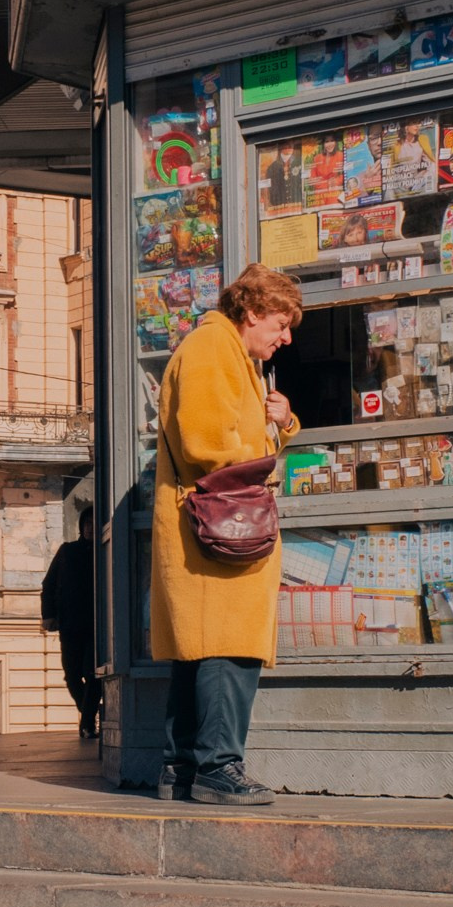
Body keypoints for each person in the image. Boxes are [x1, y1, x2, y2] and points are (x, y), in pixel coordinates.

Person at [151, 264, 301, 808]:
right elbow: (208, 442)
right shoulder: (213, 347)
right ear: (253, 311)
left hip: (208, 524)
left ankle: (181, 766)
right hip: (219, 527)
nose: (285, 338)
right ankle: (219, 766)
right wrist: (270, 456)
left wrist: (284, 422)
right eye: (280, 324)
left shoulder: (231, 354)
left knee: (199, 650)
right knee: (226, 648)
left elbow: (232, 428)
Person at [40, 505, 100, 741]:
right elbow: (49, 584)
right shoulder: (67, 551)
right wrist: (49, 615)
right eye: (86, 524)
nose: (90, 528)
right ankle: (90, 714)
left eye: (94, 523)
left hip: (97, 625)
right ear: (81, 527)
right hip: (70, 623)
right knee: (71, 675)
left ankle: (87, 724)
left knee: (92, 674)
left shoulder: (104, 551)